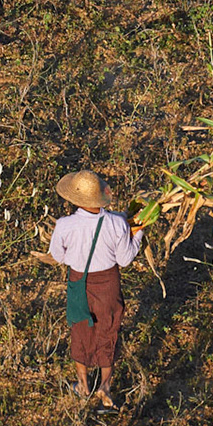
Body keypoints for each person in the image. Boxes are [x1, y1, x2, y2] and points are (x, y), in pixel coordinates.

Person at [46, 170, 144, 411]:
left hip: (79, 283)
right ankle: (105, 388)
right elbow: (125, 260)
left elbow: (58, 256)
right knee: (108, 332)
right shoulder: (117, 223)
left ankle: (82, 386)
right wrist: (138, 232)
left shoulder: (64, 225)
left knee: (81, 331)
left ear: (75, 199)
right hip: (109, 284)